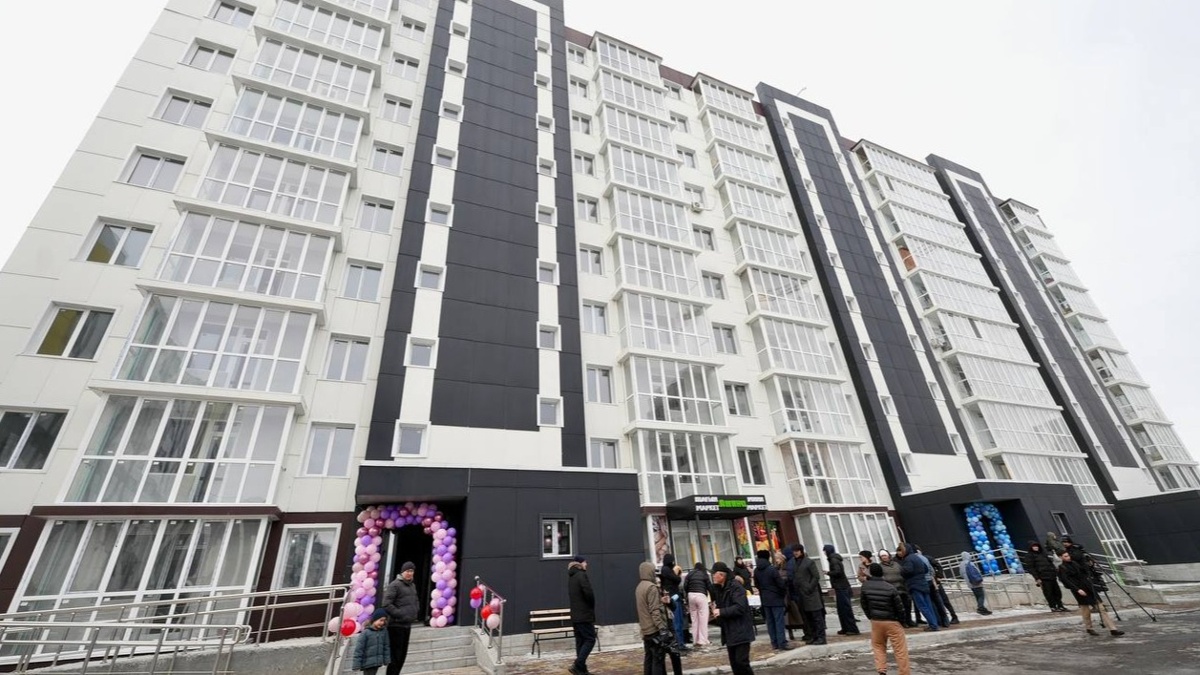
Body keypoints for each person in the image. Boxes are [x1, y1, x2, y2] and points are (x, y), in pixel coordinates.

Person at [1058, 550, 1124, 637]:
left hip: (1089, 587)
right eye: (1065, 556)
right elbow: (1066, 581)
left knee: (1101, 608)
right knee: (1086, 610)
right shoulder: (1062, 568)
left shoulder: (1075, 563)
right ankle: (1089, 628)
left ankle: (1113, 629)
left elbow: (1085, 571)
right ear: (1061, 557)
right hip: (1079, 590)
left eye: (1068, 555)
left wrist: (1090, 564)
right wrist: (1077, 590)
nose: (1068, 557)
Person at [860, 563, 910, 675]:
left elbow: (864, 604)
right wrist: (902, 621)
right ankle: (904, 672)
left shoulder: (865, 586)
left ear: (871, 573)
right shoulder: (890, 587)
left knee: (878, 646)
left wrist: (871, 616)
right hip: (892, 621)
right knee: (900, 650)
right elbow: (899, 607)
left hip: (876, 621)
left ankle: (881, 670)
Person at [710, 562, 755, 675]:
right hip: (730, 631)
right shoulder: (719, 589)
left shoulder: (735, 587)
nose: (713, 576)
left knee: (741, 662)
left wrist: (721, 611)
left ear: (722, 575)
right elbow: (721, 609)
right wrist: (715, 614)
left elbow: (740, 608)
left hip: (741, 630)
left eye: (714, 574)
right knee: (735, 664)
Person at [382, 562, 418, 675]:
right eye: (407, 571)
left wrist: (416, 611)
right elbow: (386, 604)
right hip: (396, 625)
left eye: (411, 571)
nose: (409, 573)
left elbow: (415, 601)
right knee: (395, 656)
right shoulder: (395, 585)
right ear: (402, 572)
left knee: (402, 655)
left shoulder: (412, 585)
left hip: (407, 625)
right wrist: (400, 614)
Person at [752, 549, 790, 650]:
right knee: (779, 621)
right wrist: (783, 590)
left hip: (765, 599)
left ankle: (774, 643)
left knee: (770, 622)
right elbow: (780, 583)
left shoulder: (756, 570)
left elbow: (756, 584)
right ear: (768, 557)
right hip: (776, 598)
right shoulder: (771, 569)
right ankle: (782, 643)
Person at [897, 543, 939, 631]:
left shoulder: (908, 559)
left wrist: (901, 570)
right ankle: (934, 623)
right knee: (928, 605)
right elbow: (926, 569)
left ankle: (933, 625)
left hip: (914, 585)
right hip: (923, 583)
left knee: (922, 606)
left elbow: (908, 570)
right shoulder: (917, 557)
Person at [637, 561, 669, 675]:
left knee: (648, 658)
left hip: (645, 629)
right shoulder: (651, 588)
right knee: (658, 660)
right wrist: (662, 628)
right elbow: (654, 610)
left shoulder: (639, 587)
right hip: (654, 629)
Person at [791, 544, 826, 644]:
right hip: (801, 594)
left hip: (811, 594)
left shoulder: (809, 562)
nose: (795, 553)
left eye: (797, 551)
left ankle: (821, 637)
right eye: (794, 551)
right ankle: (813, 636)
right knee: (808, 617)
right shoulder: (795, 563)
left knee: (816, 617)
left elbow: (816, 576)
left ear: (801, 551)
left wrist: (809, 588)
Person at [568, 555, 597, 675]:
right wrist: (591, 605)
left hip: (575, 615)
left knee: (580, 641)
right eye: (585, 562)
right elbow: (588, 593)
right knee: (590, 639)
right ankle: (578, 664)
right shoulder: (581, 575)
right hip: (584, 614)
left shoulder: (571, 577)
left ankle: (582, 670)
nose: (586, 564)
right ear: (580, 563)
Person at [823, 544, 859, 635]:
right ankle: (846, 628)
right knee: (841, 609)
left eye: (825, 551)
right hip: (841, 586)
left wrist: (828, 573)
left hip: (841, 587)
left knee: (845, 608)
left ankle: (852, 629)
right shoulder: (834, 559)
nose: (824, 553)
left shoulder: (833, 560)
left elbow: (838, 572)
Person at [1023, 541, 1067, 612]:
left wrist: (1054, 571)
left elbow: (1050, 563)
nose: (1036, 547)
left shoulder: (1043, 554)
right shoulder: (1029, 556)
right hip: (1043, 577)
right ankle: (1053, 606)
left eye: (1037, 546)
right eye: (1034, 546)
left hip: (1052, 575)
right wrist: (1037, 578)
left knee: (1057, 592)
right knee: (1048, 593)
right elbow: (1031, 568)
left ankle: (1060, 605)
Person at [877, 550, 914, 628]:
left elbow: (902, 572)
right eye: (882, 556)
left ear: (888, 556)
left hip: (902, 588)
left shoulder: (896, 564)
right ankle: (901, 622)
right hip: (891, 590)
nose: (884, 557)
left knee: (907, 605)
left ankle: (909, 620)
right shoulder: (880, 566)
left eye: (885, 555)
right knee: (897, 608)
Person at [659, 553, 687, 649]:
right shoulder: (667, 570)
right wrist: (677, 574)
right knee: (677, 622)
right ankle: (679, 643)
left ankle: (680, 643)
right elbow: (677, 579)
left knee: (677, 622)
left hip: (672, 598)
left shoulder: (665, 570)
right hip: (673, 598)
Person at [352, 608, 391, 675]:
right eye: (381, 620)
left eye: (384, 620)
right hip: (367, 663)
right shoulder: (366, 632)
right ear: (374, 619)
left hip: (377, 662)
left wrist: (386, 660)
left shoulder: (384, 632)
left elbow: (386, 646)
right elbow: (359, 649)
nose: (382, 622)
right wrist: (356, 665)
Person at [685, 562, 713, 648]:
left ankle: (695, 640)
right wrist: (714, 599)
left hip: (691, 596)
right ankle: (703, 640)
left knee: (694, 619)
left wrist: (688, 595)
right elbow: (710, 587)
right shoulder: (704, 575)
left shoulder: (689, 574)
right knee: (703, 618)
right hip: (701, 595)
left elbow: (685, 586)